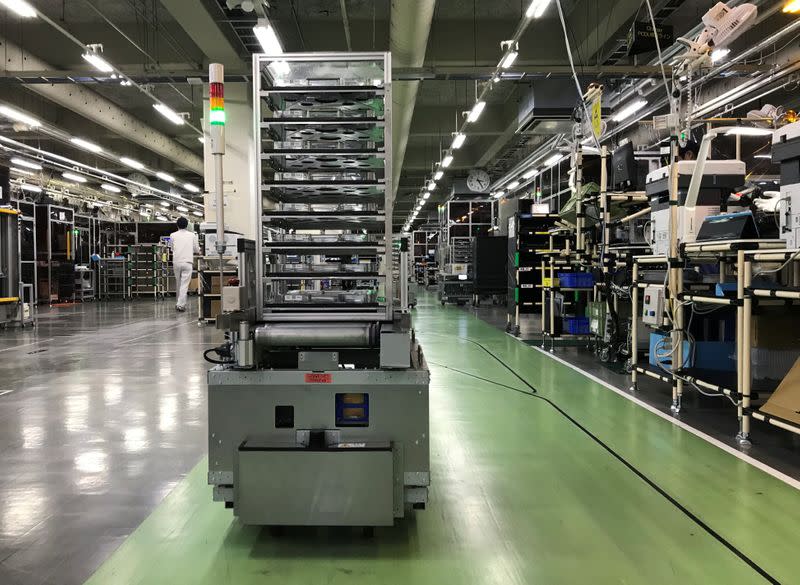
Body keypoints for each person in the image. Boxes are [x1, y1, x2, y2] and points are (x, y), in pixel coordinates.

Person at [169, 217, 200, 312]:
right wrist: (198, 251)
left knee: (178, 283)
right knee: (184, 284)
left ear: (177, 225)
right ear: (187, 225)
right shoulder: (192, 235)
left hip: (177, 261)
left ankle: (178, 303)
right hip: (187, 262)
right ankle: (180, 305)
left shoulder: (173, 235)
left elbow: (171, 248)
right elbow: (196, 249)